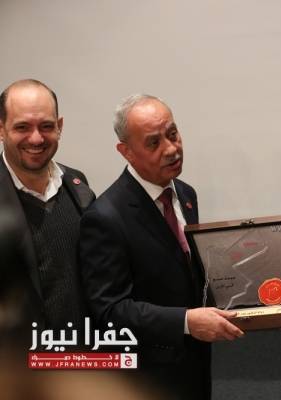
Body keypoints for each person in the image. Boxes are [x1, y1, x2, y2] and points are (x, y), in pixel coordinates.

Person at [79, 94, 244, 400]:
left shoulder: (185, 193)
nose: (171, 149)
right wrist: (185, 322)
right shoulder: (104, 217)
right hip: (146, 376)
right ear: (126, 152)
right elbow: (110, 311)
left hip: (194, 363)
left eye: (173, 134)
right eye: (154, 143)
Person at [0, 79, 94, 332]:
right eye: (22, 127)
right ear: (1, 129)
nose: (36, 138)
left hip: (83, 350)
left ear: (59, 126)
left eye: (46, 126)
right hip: (18, 355)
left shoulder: (78, 186)